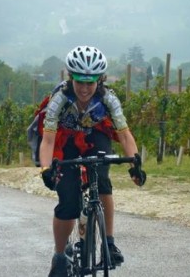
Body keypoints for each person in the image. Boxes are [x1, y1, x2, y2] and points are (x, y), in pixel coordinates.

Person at [40, 45, 146, 277]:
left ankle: (108, 242)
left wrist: (135, 166)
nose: (85, 88)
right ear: (71, 78)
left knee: (103, 180)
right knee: (68, 202)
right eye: (80, 82)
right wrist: (47, 169)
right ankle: (59, 256)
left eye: (91, 82)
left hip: (96, 135)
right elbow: (47, 141)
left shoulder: (108, 98)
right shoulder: (59, 99)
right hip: (65, 140)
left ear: (100, 80)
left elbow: (125, 135)